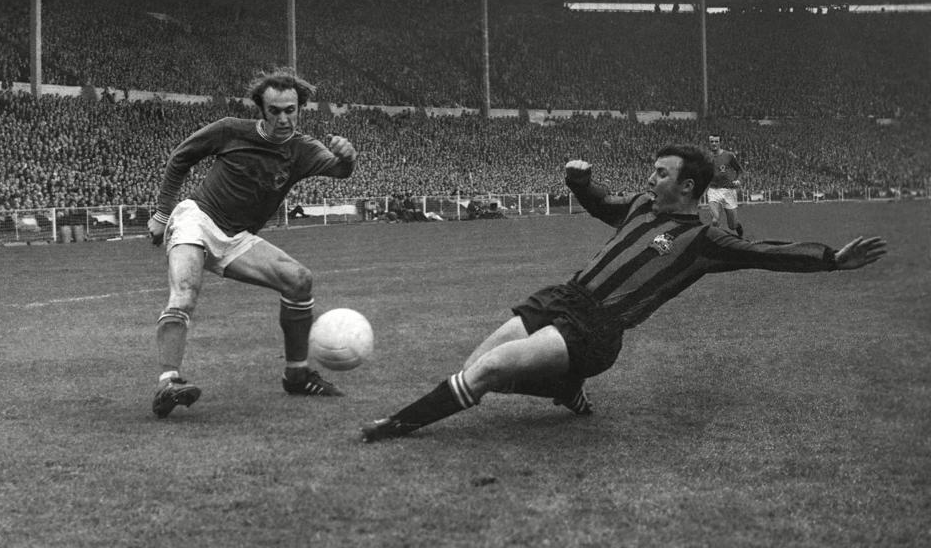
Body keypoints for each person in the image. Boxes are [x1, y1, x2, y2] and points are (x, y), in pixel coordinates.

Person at [360, 144, 886, 442]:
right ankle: (562, 390)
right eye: (652, 171)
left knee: (491, 371)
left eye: (660, 173)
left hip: (596, 329)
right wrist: (579, 182)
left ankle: (398, 424)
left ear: (686, 187)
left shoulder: (705, 239)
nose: (649, 178)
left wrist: (832, 259)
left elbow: (766, 252)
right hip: (560, 297)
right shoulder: (638, 206)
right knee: (480, 368)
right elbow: (600, 202)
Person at [146, 68, 357, 418]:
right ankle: (168, 383)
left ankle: (297, 375)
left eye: (290, 109)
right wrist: (162, 214)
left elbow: (339, 170)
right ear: (261, 109)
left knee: (298, 280)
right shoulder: (231, 130)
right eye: (274, 110)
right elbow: (180, 158)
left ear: (300, 108)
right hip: (196, 220)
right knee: (184, 293)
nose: (283, 117)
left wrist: (348, 157)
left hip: (238, 238)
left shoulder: (303, 150)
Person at [706, 134, 745, 237]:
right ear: (709, 143)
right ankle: (717, 242)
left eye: (716, 141)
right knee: (715, 220)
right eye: (712, 141)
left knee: (732, 225)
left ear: (720, 142)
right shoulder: (707, 157)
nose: (714, 144)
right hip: (713, 191)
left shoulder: (729, 155)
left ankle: (738, 226)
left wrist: (737, 180)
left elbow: (739, 170)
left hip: (728, 191)